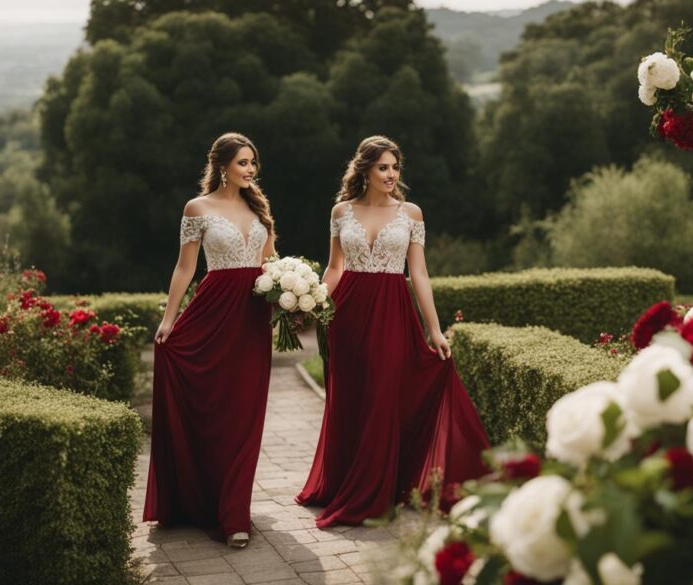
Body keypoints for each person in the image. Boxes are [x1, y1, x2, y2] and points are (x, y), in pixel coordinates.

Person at [297, 135, 490, 527]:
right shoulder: (341, 212)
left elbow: (418, 272)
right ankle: (342, 483)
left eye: (395, 166)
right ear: (364, 169)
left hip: (391, 311)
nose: (391, 174)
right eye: (383, 166)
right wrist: (312, 302)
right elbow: (335, 268)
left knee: (384, 396)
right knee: (351, 398)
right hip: (346, 314)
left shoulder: (410, 214)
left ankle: (375, 493)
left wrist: (434, 329)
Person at [143, 132, 276, 549]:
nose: (250, 170)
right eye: (242, 163)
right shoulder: (197, 209)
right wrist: (169, 319)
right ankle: (198, 500)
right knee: (212, 410)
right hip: (212, 314)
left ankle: (235, 512)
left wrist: (291, 294)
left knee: (245, 414)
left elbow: (271, 263)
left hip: (252, 319)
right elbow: (184, 269)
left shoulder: (260, 209)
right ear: (222, 166)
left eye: (253, 162)